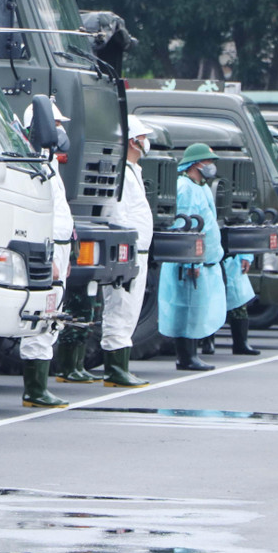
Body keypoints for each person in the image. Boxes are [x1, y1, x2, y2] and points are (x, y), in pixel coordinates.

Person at [18, 102, 74, 408]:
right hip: (47, 248)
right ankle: (34, 389)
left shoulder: (50, 163)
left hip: (60, 247)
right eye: (56, 124)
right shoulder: (33, 164)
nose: (60, 131)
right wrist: (49, 257)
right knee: (43, 315)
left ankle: (39, 386)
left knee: (53, 318)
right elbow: (36, 216)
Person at [157, 143, 226, 371]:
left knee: (196, 308)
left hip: (203, 260)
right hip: (190, 262)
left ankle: (191, 354)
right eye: (208, 161)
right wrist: (189, 261)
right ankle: (186, 357)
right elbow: (183, 225)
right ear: (196, 163)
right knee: (186, 308)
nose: (211, 165)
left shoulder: (201, 187)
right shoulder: (184, 187)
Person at [99, 115, 154, 387]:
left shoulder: (133, 171)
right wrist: (126, 247)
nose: (146, 142)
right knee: (120, 307)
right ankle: (114, 368)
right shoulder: (122, 173)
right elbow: (118, 214)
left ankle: (121, 366)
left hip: (138, 251)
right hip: (129, 251)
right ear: (133, 141)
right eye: (143, 137)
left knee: (130, 309)